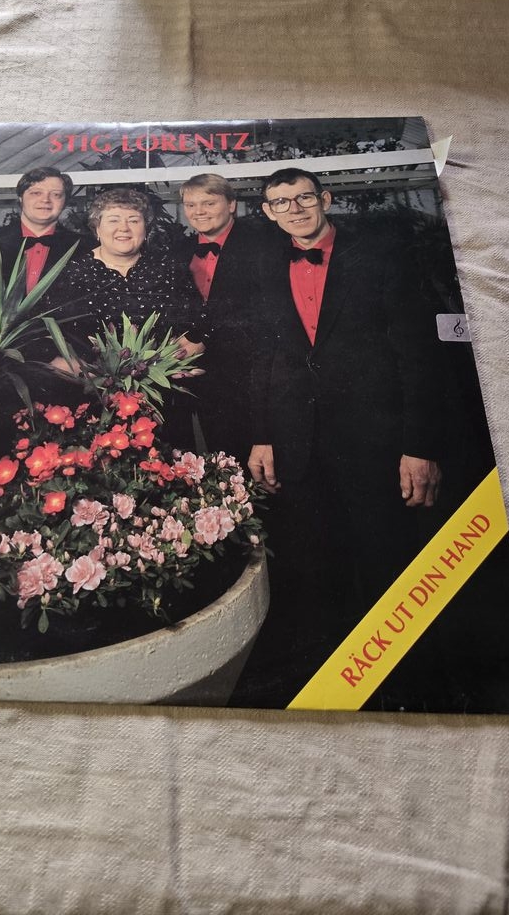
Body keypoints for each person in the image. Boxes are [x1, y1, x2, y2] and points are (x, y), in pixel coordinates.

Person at [232, 167, 445, 707]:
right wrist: (261, 436)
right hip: (297, 444)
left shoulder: (380, 256)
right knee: (315, 565)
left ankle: (402, 684)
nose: (296, 209)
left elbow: (419, 355)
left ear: (325, 198)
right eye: (282, 202)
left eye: (304, 197)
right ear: (268, 212)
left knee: (385, 559)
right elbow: (263, 358)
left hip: (375, 443)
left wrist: (419, 446)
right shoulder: (263, 266)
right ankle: (335, 683)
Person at [51, 187, 206, 443]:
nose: (124, 228)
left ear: (146, 229)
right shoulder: (72, 273)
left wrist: (168, 365)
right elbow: (51, 339)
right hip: (93, 398)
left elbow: (196, 325)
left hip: (162, 398)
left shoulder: (169, 268)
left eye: (134, 220)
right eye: (113, 220)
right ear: (97, 228)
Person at [173, 173, 277, 463]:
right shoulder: (179, 250)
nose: (199, 212)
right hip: (191, 374)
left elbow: (260, 313)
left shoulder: (262, 245)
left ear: (231, 204)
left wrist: (203, 337)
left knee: (251, 462)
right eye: (191, 205)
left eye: (208, 203)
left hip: (246, 374)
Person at [0, 166, 88, 294]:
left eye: (56, 195)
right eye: (36, 193)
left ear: (65, 202)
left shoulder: (85, 247)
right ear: (21, 198)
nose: (45, 200)